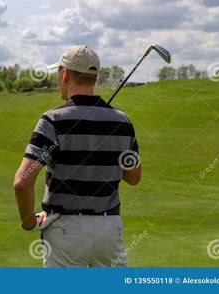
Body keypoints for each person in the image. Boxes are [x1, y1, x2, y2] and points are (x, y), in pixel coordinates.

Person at [13, 45, 141, 267]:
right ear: (94, 77)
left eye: (58, 73)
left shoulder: (52, 120)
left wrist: (28, 223)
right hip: (109, 230)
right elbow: (133, 177)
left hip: (65, 231)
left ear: (65, 74)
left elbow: (22, 182)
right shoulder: (123, 122)